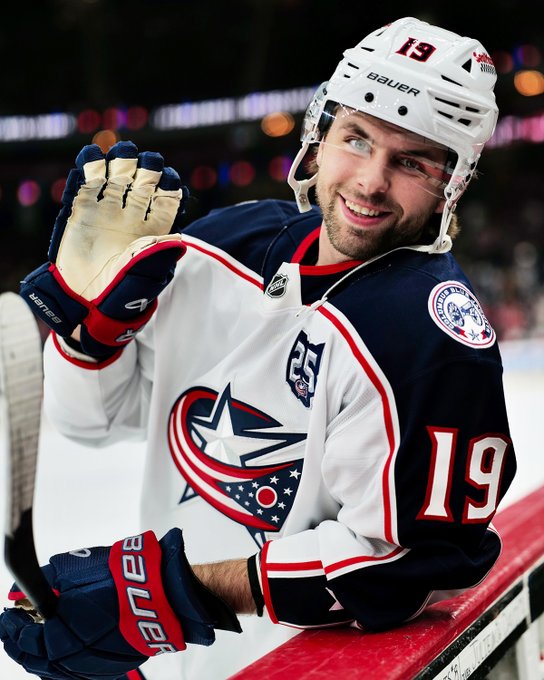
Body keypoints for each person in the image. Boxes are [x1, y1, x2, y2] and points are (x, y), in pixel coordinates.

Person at [1, 16, 517, 680]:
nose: (370, 182)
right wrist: (96, 330)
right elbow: (93, 422)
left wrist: (167, 597)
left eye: (411, 161)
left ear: (454, 183)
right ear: (318, 136)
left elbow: (408, 563)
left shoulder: (430, 338)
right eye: (356, 139)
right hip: (177, 662)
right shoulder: (226, 242)